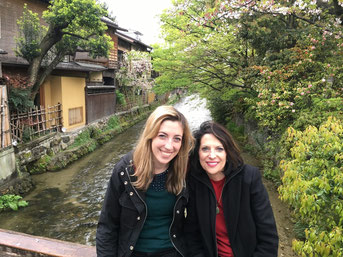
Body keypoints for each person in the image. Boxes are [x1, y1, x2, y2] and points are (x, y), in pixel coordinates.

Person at [96, 105, 194, 257]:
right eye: (162, 136)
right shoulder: (125, 170)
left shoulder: (185, 171)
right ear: (150, 135)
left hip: (173, 252)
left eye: (177, 139)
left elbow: (197, 223)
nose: (169, 146)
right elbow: (107, 226)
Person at [185, 121, 279, 257]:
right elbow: (192, 236)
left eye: (219, 149)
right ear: (198, 153)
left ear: (227, 152)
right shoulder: (194, 182)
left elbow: (268, 238)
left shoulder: (249, 178)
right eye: (205, 149)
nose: (212, 155)